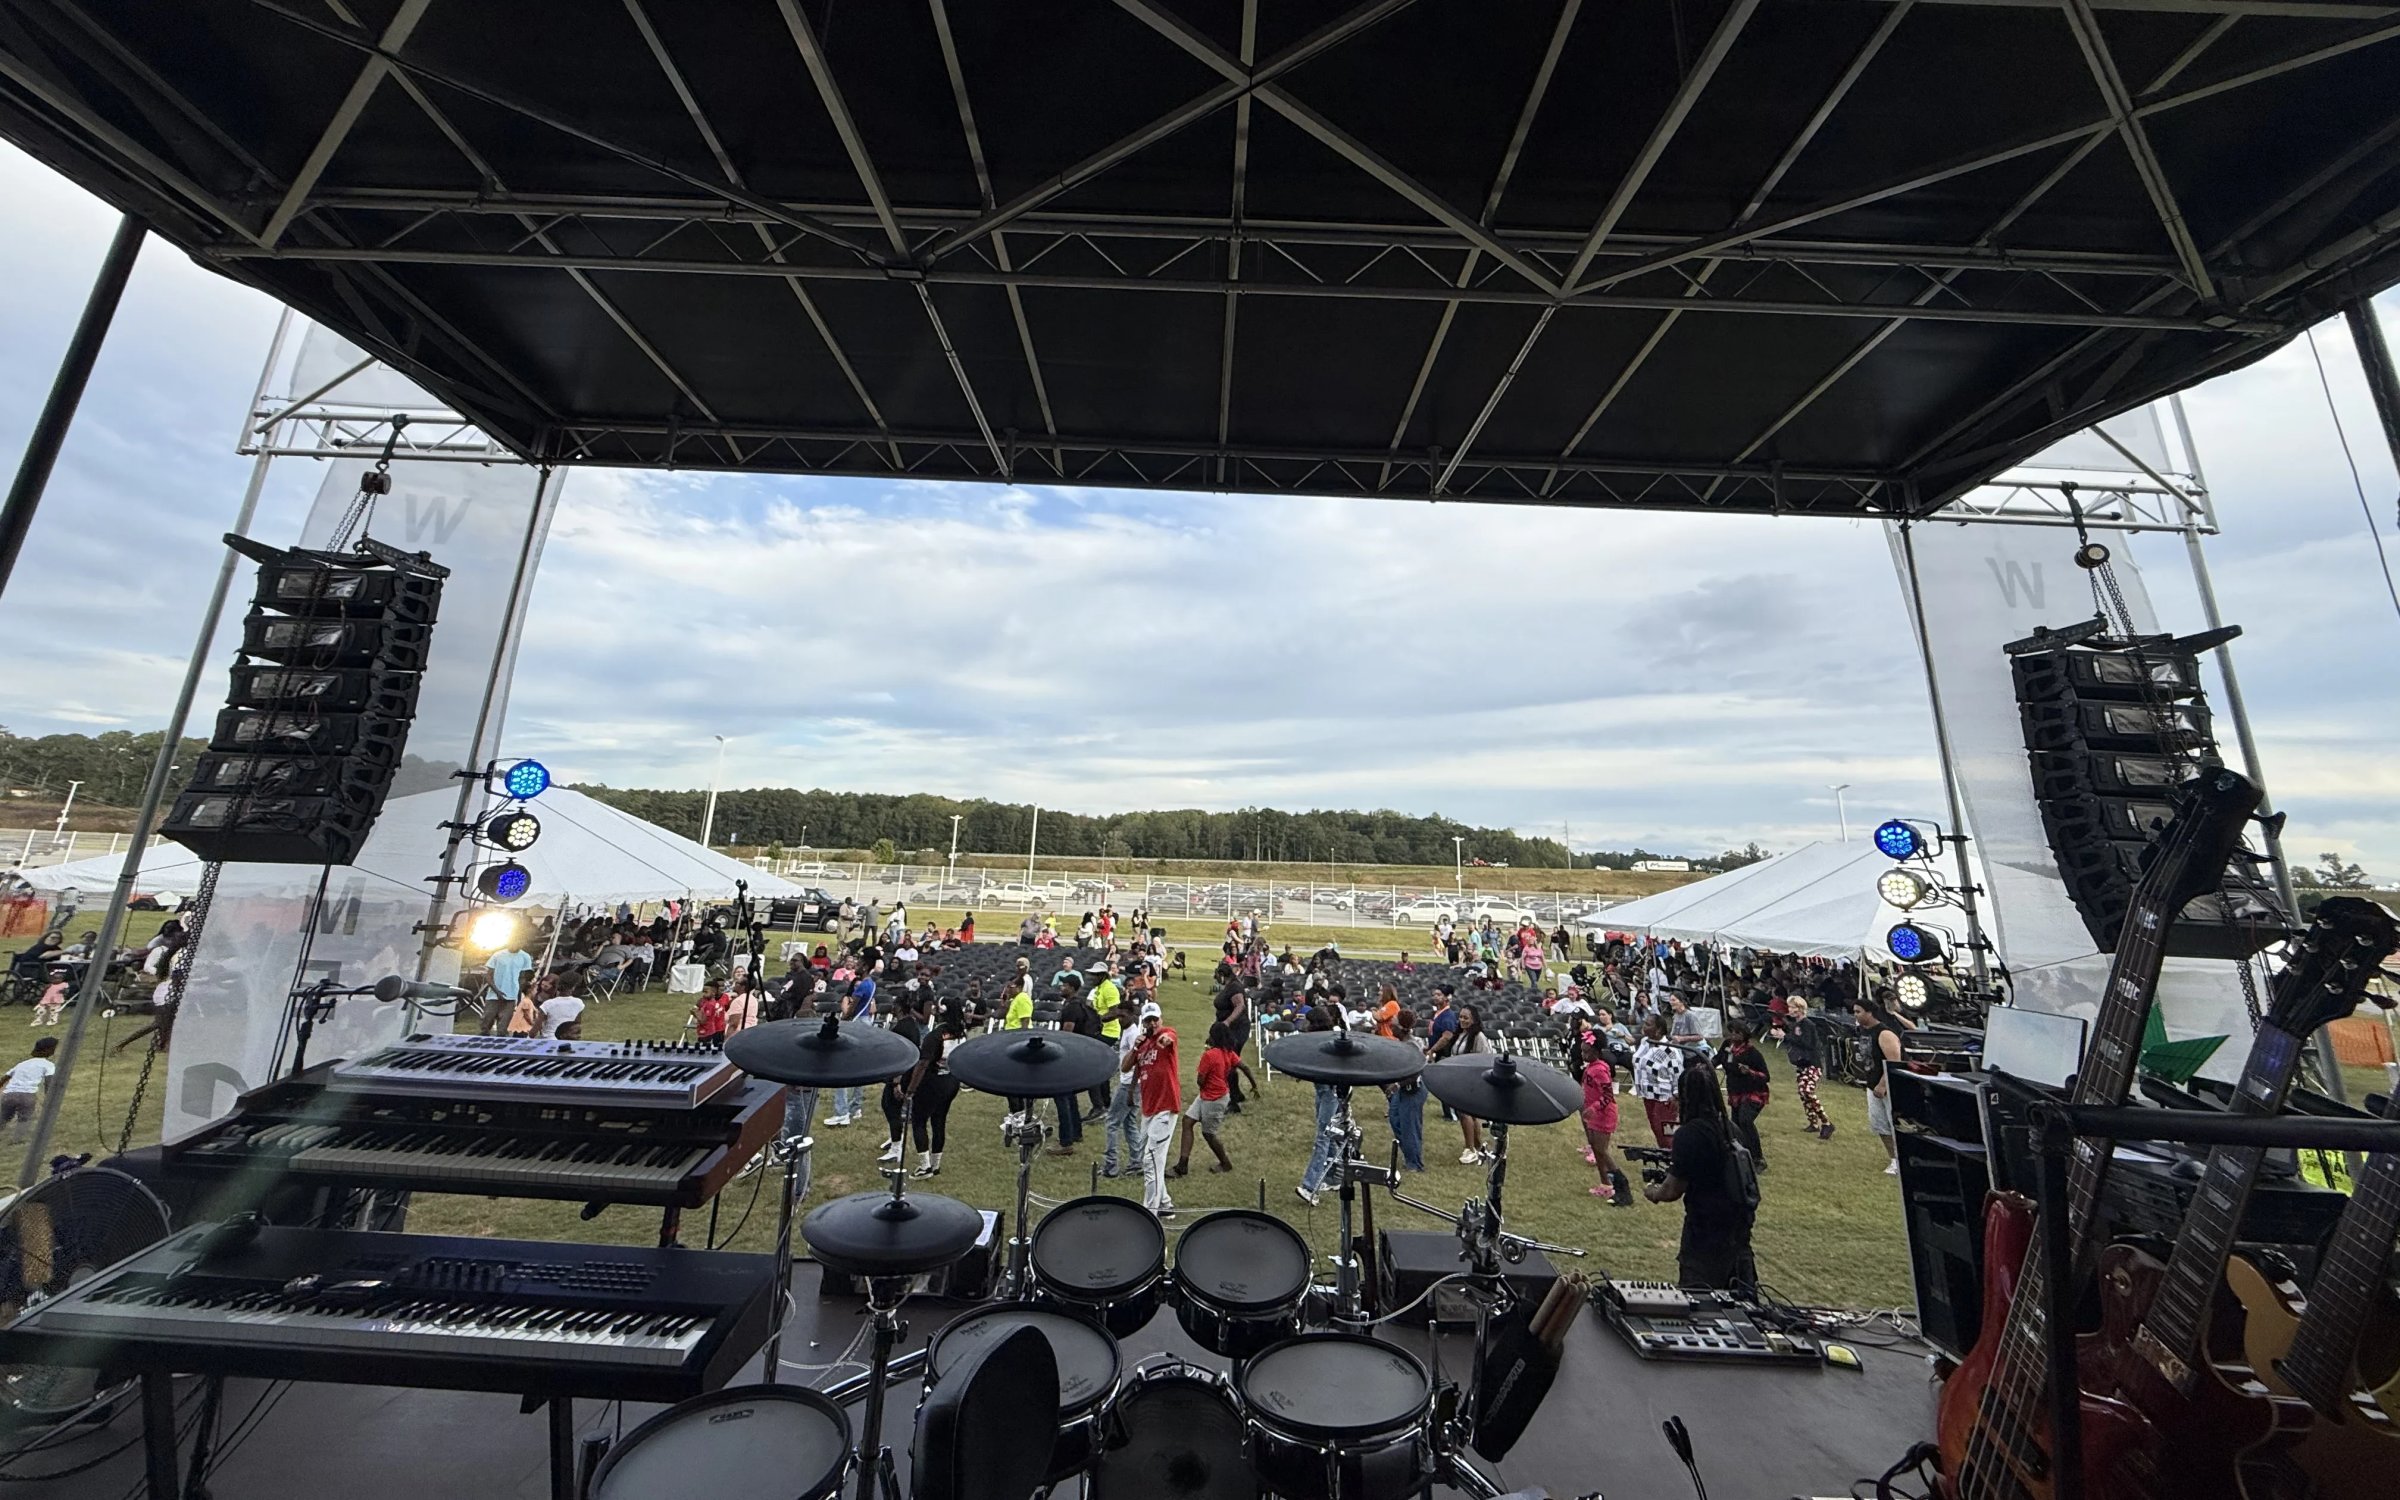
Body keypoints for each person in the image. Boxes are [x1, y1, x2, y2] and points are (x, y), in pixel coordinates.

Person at [1644, 1062, 1758, 1291]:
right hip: (1737, 1232)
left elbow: (1672, 1190)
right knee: (1742, 1305)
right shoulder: (1730, 1129)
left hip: (1706, 1234)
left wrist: (1653, 1192)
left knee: (1699, 1300)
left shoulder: (1690, 1134)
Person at [1169, 1022, 1255, 1177]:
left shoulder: (1208, 1055)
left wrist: (1204, 1083)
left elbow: (1200, 1080)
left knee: (1209, 1134)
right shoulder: (1228, 1052)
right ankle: (1182, 1165)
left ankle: (1225, 1163)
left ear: (1214, 1037)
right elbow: (1245, 1067)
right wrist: (1254, 1086)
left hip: (1213, 1098)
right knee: (1187, 1121)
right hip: (1214, 1095)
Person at [1125, 1003, 1181, 1218]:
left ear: (1160, 1019)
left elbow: (1170, 1038)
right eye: (1148, 1020)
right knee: (1151, 1157)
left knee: (1151, 1159)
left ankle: (1150, 1211)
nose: (1152, 1024)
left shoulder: (1167, 1033)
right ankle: (1165, 1205)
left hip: (1165, 1106)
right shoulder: (1143, 1044)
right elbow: (1126, 1067)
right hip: (1149, 1108)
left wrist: (1164, 1038)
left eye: (1154, 1019)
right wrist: (1136, 1048)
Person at [904, 1004, 968, 1176]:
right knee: (939, 1122)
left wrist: (911, 1089)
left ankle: (925, 1166)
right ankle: (936, 1163)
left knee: (919, 1121)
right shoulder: (961, 1033)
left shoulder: (935, 1036)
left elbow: (923, 1063)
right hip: (951, 1081)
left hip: (932, 1082)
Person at [1432, 1002, 1490, 1164]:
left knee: (1465, 1114)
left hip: (1472, 1080)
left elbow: (1484, 1059)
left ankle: (1469, 1148)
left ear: (1474, 1019)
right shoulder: (1460, 1034)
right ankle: (1478, 1147)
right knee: (1470, 1115)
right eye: (1461, 1017)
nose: (1463, 1020)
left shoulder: (1478, 1037)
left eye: (1466, 1018)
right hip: (1459, 1078)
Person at [1048, 975, 1100, 1156]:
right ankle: (1076, 1132)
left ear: (1072, 988)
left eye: (1064, 985)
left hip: (1067, 1057)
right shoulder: (1078, 1004)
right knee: (1070, 1096)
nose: (1061, 988)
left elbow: (1066, 1034)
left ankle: (1065, 1142)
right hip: (1076, 1056)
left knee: (1062, 1096)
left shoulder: (1071, 1008)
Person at [1852, 997, 1905, 1175]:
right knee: (1879, 1124)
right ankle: (1894, 1159)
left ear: (1869, 1013)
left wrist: (1883, 1085)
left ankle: (1903, 1158)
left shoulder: (1884, 1033)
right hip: (1871, 1084)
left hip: (1889, 1085)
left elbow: (1894, 1061)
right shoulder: (1863, 1032)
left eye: (1858, 1011)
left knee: (1894, 1123)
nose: (1856, 1015)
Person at [1577, 1028, 1630, 1204]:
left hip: (1603, 1114)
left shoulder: (1600, 1070)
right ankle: (1605, 1184)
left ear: (1596, 1052)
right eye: (1582, 1050)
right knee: (1596, 1149)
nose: (1583, 1054)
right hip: (1593, 1113)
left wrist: (1594, 1107)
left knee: (1601, 1150)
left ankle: (1621, 1182)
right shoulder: (1591, 1067)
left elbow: (1608, 1096)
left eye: (1587, 1051)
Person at [876, 995, 928, 1165]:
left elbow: (904, 1054)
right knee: (890, 1107)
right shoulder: (909, 1023)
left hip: (901, 1073)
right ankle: (894, 1137)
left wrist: (898, 1081)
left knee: (891, 1107)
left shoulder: (904, 1027)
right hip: (901, 1072)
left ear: (899, 1007)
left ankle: (896, 1148)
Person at [1718, 1020, 1771, 1171]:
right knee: (1736, 1126)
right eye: (1732, 1032)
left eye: (1737, 1033)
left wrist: (1750, 1072)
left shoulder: (1753, 1053)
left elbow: (1766, 1076)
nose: (1733, 1036)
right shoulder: (1727, 1045)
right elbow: (1717, 1059)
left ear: (1745, 1035)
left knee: (1745, 1121)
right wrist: (1705, 1064)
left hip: (1754, 1092)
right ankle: (1742, 1156)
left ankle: (1758, 1158)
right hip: (1735, 1092)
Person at [1386, 1008, 1426, 1171]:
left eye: (1393, 1023)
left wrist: (1397, 1085)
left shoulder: (1411, 1046)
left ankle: (1414, 1163)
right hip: (1403, 1090)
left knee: (1410, 1127)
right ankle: (1409, 1153)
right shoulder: (1403, 1043)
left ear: (1401, 1028)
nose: (1391, 1026)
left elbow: (1416, 1071)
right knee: (1395, 1119)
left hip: (1412, 1090)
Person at [1784, 997, 1831, 1139]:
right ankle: (1813, 1122)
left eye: (1793, 1007)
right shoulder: (1796, 1025)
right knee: (1803, 1094)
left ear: (1800, 1008)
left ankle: (1826, 1122)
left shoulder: (1808, 1025)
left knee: (1807, 1091)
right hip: (1801, 1063)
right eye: (1789, 1007)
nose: (1790, 1010)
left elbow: (1807, 1043)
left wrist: (1785, 1037)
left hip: (1812, 1063)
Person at [1633, 1016, 1682, 1147]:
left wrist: (1676, 1096)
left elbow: (1678, 1075)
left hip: (1665, 1098)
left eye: (1648, 1024)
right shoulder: (1644, 1042)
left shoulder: (1670, 1050)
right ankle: (1664, 1158)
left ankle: (1674, 1158)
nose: (1644, 1026)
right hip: (1647, 1095)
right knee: (1656, 1130)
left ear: (1659, 1030)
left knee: (1667, 1133)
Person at [2, 1035, 58, 1136]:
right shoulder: (48, 1065)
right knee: (24, 1118)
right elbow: (49, 1082)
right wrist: (49, 1099)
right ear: (47, 1050)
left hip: (9, 1094)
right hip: (27, 1096)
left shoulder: (22, 1064)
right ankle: (17, 1139)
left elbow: (4, 1078)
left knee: (3, 1116)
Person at [693, 979, 730, 1047]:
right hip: (707, 1030)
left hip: (719, 1028)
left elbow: (727, 1009)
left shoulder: (725, 997)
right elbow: (698, 1009)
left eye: (722, 986)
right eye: (719, 986)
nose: (721, 988)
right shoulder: (704, 1000)